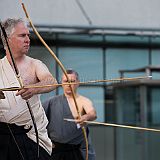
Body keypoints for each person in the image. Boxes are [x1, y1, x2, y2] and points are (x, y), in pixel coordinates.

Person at [0, 18, 57, 160]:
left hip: (31, 136)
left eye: (28, 35)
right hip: (2, 137)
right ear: (7, 40)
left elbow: (51, 81)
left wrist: (34, 88)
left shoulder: (35, 64)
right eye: (22, 35)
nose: (27, 39)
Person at [43, 69, 97, 160]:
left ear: (78, 82)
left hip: (75, 151)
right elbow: (38, 119)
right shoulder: (51, 102)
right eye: (66, 81)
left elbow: (92, 114)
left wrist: (86, 117)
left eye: (72, 81)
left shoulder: (84, 101)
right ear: (62, 83)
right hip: (55, 150)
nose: (69, 84)